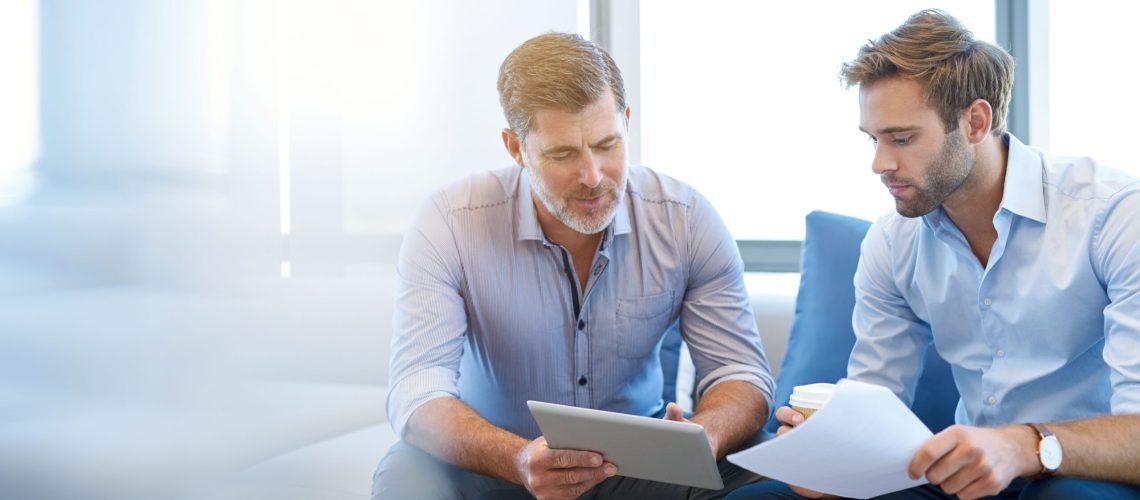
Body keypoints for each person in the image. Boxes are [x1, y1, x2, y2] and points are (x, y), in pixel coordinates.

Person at [728, 9, 1140, 500]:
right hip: (961, 480)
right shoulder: (892, 242)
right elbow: (874, 404)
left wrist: (1026, 446)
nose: (880, 163)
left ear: (975, 121)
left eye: (902, 139)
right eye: (874, 139)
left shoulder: (1112, 216)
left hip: (1078, 472)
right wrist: (829, 457)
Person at [374, 32, 775, 500]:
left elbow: (740, 374)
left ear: (627, 121)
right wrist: (519, 460)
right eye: (562, 154)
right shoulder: (449, 222)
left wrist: (706, 433)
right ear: (516, 148)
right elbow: (417, 390)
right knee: (405, 474)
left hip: (640, 469)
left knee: (768, 476)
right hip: (498, 462)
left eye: (607, 144)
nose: (592, 176)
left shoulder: (685, 219)